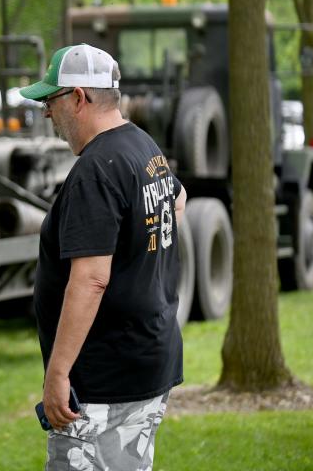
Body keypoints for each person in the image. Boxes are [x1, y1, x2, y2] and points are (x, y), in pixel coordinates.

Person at [18, 44, 187, 471]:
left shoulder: (97, 169)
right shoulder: (143, 147)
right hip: (148, 359)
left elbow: (92, 279)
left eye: (50, 101)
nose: (45, 114)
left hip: (103, 380)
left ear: (78, 98)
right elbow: (178, 198)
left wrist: (57, 375)